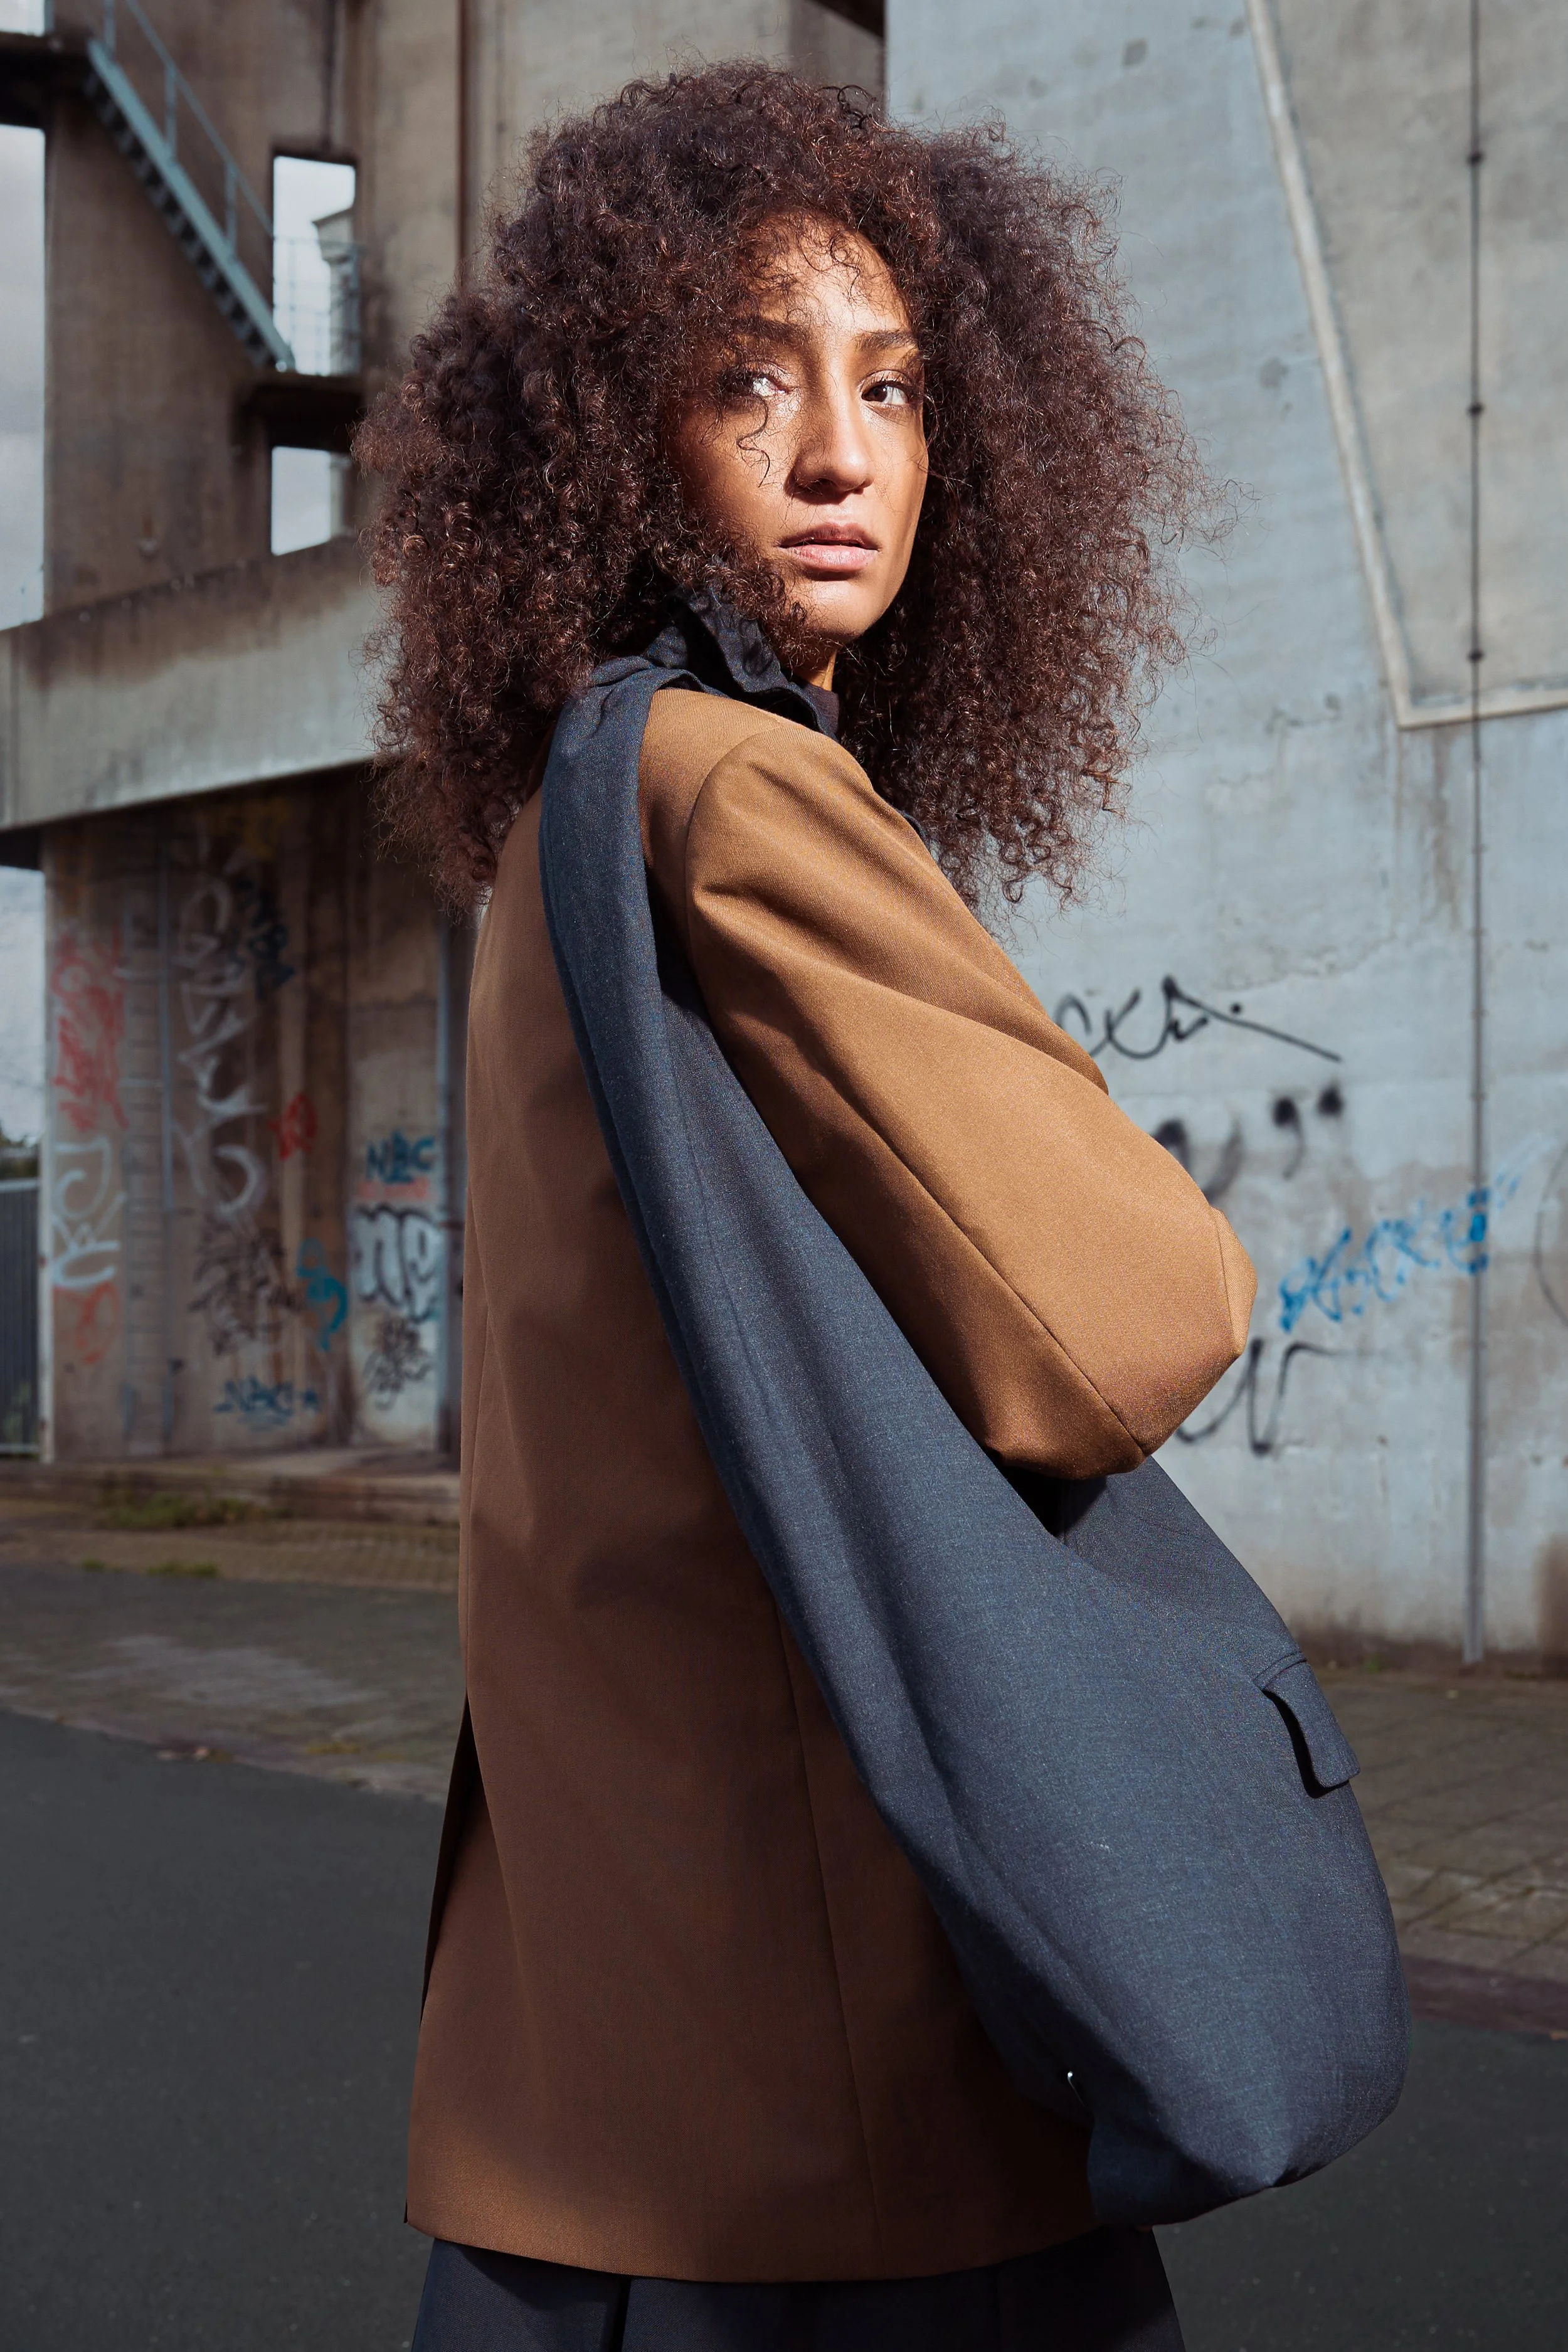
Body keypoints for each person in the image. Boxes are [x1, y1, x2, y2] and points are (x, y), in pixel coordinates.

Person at [359, 62, 1255, 2352]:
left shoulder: (567, 804)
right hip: (834, 2130)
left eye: (892, 384)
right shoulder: (737, 789)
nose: (841, 455)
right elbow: (1137, 1316)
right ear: (609, 439)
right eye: (743, 381)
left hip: (583, 2052)